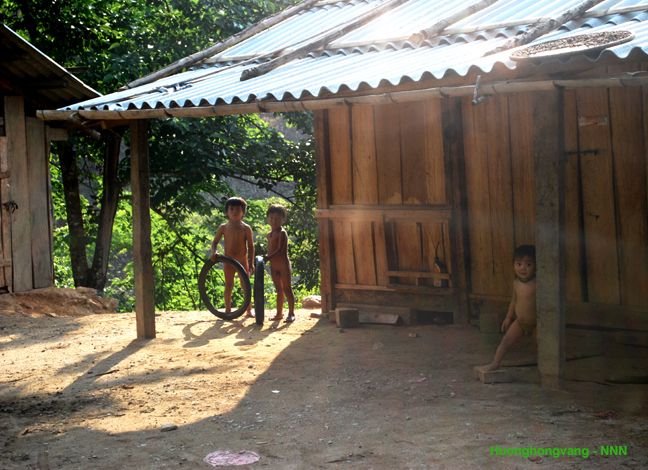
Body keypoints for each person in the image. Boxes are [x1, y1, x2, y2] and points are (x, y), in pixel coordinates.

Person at [478, 245, 537, 372]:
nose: (523, 268)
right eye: (519, 264)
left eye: (528, 264)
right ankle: (495, 363)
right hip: (520, 322)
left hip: (536, 323)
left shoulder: (537, 283)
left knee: (541, 345)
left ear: (536, 266)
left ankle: (544, 367)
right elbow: (514, 301)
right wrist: (508, 317)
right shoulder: (516, 283)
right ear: (513, 265)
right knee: (505, 341)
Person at [210, 197, 255, 318]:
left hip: (242, 261)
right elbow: (214, 243)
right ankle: (228, 310)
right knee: (229, 285)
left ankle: (249, 310)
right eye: (232, 209)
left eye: (238, 209)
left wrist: (251, 263)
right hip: (228, 261)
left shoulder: (246, 228)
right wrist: (214, 252)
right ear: (227, 212)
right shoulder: (223, 227)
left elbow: (251, 247)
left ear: (243, 212)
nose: (235, 212)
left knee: (245, 285)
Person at [263, 204, 295, 322]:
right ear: (267, 219)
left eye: (277, 218)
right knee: (279, 290)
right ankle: (279, 313)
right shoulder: (269, 235)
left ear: (283, 219)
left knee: (287, 289)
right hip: (274, 266)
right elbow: (270, 249)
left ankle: (291, 313)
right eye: (271, 218)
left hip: (283, 265)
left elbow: (280, 250)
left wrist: (268, 257)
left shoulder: (282, 233)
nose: (274, 221)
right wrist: (267, 258)